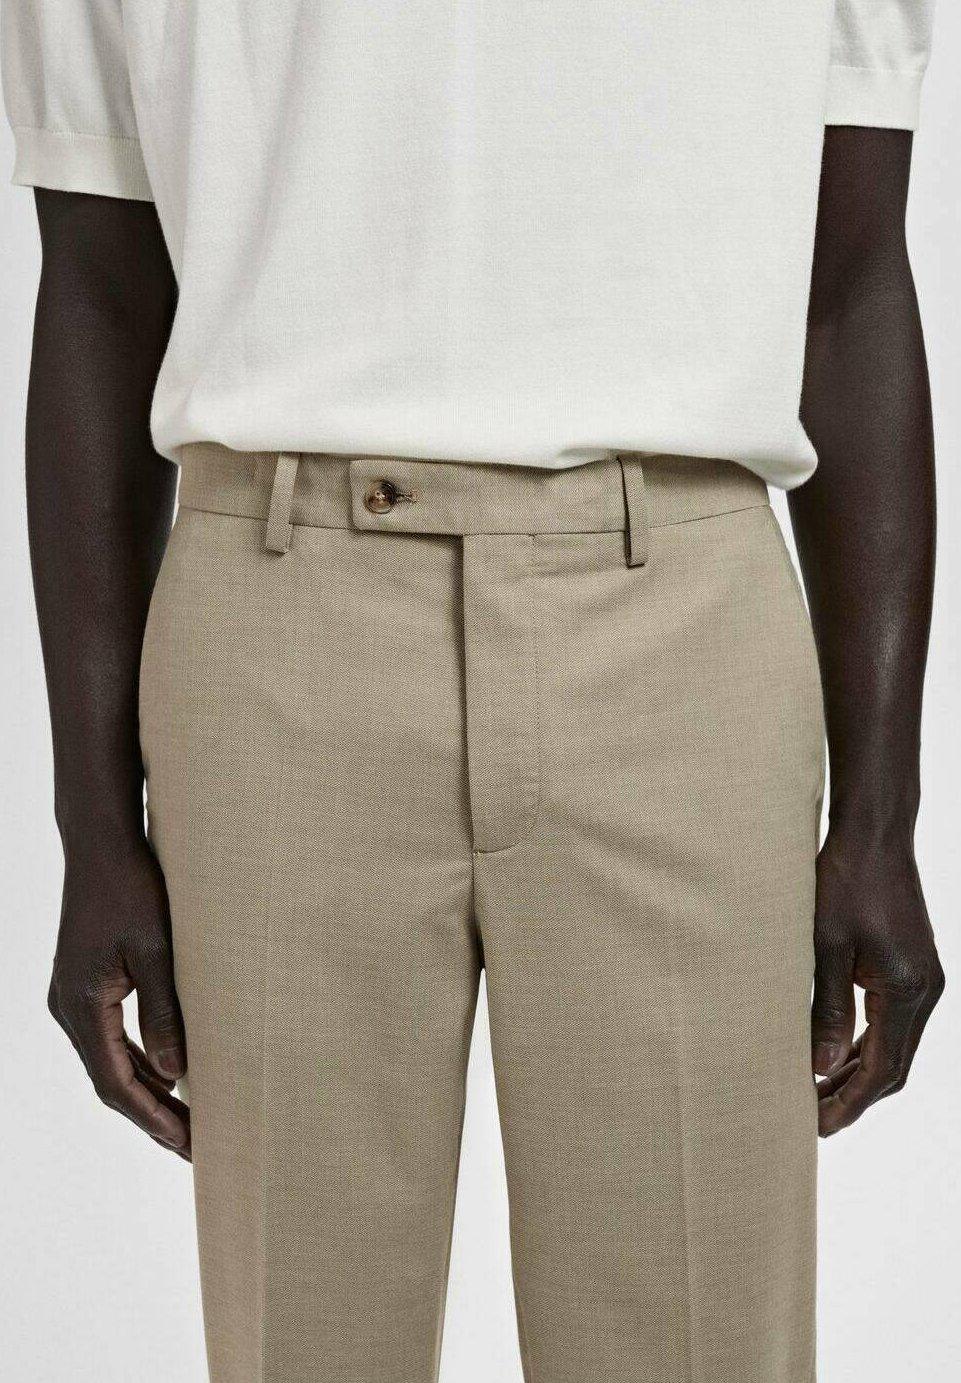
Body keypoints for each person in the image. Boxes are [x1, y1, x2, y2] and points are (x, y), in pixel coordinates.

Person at [1, 2, 946, 1380]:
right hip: (277, 639)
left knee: (700, 1341)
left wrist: (879, 819)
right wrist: (93, 831)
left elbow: (848, 286)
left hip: (680, 639)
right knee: (298, 1342)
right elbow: (96, 290)